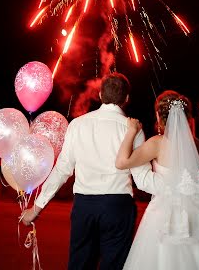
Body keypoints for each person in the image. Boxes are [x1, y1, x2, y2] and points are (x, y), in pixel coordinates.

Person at [20, 72, 160, 270]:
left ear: (100, 95)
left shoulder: (77, 125)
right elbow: (143, 179)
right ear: (127, 99)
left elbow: (62, 169)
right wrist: (174, 184)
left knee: (80, 264)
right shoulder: (133, 129)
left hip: (85, 206)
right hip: (118, 206)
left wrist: (37, 208)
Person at [115, 90, 199, 269]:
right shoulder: (197, 146)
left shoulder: (157, 143)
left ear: (159, 115)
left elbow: (121, 162)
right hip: (195, 214)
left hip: (164, 216)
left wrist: (131, 132)